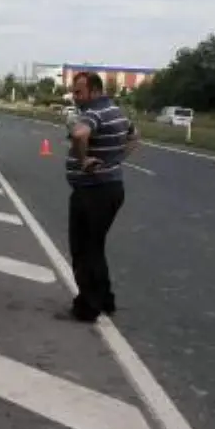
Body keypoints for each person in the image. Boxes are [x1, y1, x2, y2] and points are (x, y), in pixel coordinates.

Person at [64, 71, 139, 322]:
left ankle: (87, 306)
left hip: (92, 190)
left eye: (79, 92)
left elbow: (79, 134)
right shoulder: (116, 111)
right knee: (95, 246)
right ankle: (105, 298)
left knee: (83, 249)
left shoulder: (93, 112)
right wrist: (115, 160)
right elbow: (135, 136)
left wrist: (84, 159)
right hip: (110, 188)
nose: (75, 97)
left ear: (95, 91)